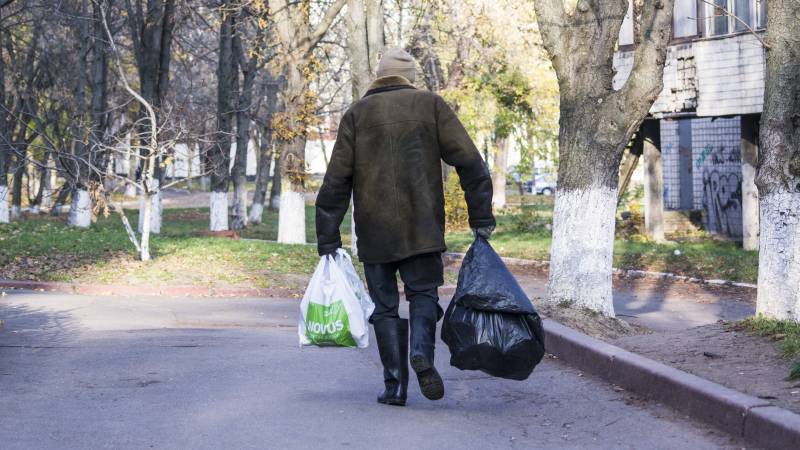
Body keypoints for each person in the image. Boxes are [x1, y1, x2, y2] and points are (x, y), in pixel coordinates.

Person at [315, 47, 495, 406]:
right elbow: (471, 163)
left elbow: (336, 181)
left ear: (378, 76)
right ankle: (421, 355)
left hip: (375, 232)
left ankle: (395, 386)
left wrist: (327, 235)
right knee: (423, 295)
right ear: (409, 76)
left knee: (383, 308)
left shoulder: (356, 114)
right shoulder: (430, 106)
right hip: (422, 227)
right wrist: (481, 217)